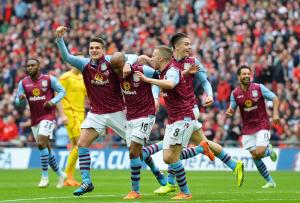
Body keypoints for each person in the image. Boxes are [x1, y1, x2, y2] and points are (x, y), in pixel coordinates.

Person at [55, 26, 153, 196]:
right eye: (91, 48)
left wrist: (128, 64)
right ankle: (87, 181)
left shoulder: (110, 61)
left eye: (97, 48)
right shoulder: (84, 64)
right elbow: (66, 57)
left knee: (135, 148)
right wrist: (60, 40)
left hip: (117, 113)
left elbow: (132, 56)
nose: (94, 50)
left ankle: (157, 172)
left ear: (103, 50)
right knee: (82, 144)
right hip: (95, 114)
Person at [136, 45, 215, 200]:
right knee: (167, 158)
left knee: (173, 157)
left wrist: (147, 80)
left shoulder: (171, 70)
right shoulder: (165, 71)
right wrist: (144, 59)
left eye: (153, 56)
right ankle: (200, 149)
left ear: (160, 58)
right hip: (173, 119)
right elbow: (175, 77)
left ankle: (185, 192)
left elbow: (171, 84)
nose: (151, 58)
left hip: (184, 117)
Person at [15, 58, 66, 188]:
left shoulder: (49, 79)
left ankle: (44, 177)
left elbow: (62, 91)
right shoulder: (23, 83)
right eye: (28, 66)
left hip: (48, 116)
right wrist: (20, 100)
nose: (30, 68)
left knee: (40, 143)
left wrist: (53, 101)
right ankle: (61, 175)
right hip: (35, 119)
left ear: (38, 66)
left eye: (32, 65)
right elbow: (18, 102)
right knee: (46, 149)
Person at [226, 65, 279, 188]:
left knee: (260, 152)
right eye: (243, 74)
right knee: (255, 156)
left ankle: (269, 150)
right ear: (239, 77)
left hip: (262, 124)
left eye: (248, 74)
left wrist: (276, 113)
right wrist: (229, 111)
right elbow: (232, 108)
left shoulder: (259, 88)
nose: (246, 76)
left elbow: (274, 98)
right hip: (247, 128)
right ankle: (270, 181)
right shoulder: (235, 93)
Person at [58, 52, 87, 187]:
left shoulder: (82, 78)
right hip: (71, 114)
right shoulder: (65, 77)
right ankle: (66, 175)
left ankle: (68, 177)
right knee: (80, 143)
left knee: (75, 146)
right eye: (78, 60)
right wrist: (62, 115)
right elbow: (57, 96)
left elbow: (88, 96)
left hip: (81, 114)